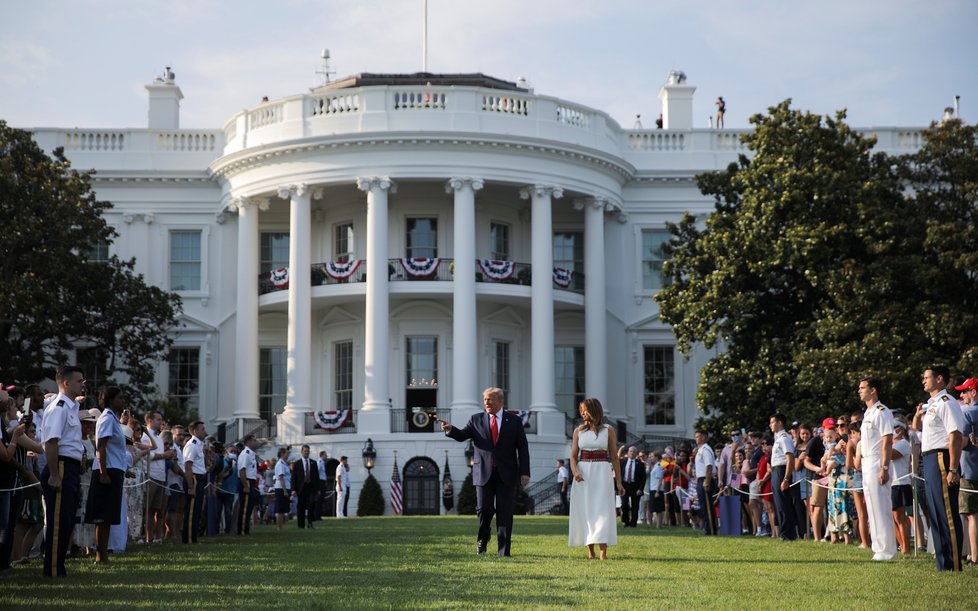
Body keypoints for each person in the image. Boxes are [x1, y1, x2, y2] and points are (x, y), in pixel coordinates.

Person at [441, 387, 531, 557]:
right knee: (484, 509)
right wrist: (450, 429)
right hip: (483, 473)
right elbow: (462, 435)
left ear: (500, 401)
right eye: (485, 400)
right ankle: (484, 537)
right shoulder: (476, 419)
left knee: (505, 513)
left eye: (490, 400)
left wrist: (524, 472)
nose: (487, 403)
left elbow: (523, 448)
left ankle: (504, 551)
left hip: (507, 474)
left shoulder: (514, 421)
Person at [913, 365, 966, 571]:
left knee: (947, 513)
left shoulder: (947, 402)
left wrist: (953, 468)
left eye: (927, 377)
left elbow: (954, 436)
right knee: (935, 511)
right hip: (929, 458)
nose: (924, 381)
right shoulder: (931, 404)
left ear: (939, 379)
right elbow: (920, 430)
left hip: (941, 457)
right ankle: (942, 563)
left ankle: (953, 563)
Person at [39, 365, 86, 577]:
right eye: (79, 381)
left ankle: (58, 566)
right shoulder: (58, 408)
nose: (83, 384)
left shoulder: (70, 408)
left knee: (66, 519)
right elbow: (51, 443)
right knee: (58, 521)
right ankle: (53, 569)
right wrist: (55, 474)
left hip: (71, 467)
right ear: (66, 383)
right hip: (61, 467)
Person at [568, 398, 623, 559]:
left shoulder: (608, 430)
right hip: (583, 473)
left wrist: (618, 481)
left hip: (602, 472)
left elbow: (614, 457)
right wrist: (575, 472)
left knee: (602, 510)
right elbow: (572, 456)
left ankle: (603, 552)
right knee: (585, 510)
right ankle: (590, 551)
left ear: (595, 411)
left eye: (585, 410)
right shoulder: (578, 431)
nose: (583, 413)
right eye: (581, 410)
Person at [856, 376, 897, 560]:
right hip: (867, 462)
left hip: (876, 461)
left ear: (873, 390)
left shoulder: (881, 411)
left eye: (863, 388)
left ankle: (886, 550)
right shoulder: (868, 413)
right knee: (872, 507)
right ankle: (878, 547)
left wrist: (884, 466)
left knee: (881, 507)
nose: (860, 391)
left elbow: (887, 440)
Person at [85, 388, 127, 563]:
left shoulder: (114, 419)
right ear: (109, 400)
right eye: (119, 397)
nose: (122, 400)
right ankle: (100, 554)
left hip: (114, 469)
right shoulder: (107, 418)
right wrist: (103, 473)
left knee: (109, 515)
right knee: (102, 515)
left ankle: (103, 554)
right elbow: (100, 446)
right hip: (106, 469)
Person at [954, 378, 978, 564]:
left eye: (964, 391)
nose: (961, 395)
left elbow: (961, 442)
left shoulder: (967, 413)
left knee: (971, 516)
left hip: (970, 472)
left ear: (974, 392)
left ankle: (974, 557)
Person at [769, 413, 799, 540]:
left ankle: (788, 534)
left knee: (783, 504)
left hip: (782, 471)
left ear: (780, 422)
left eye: (772, 422)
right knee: (779, 504)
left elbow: (790, 458)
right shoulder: (777, 438)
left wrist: (786, 478)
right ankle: (784, 532)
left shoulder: (784, 437)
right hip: (776, 470)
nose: (770, 425)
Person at [142, 410, 170, 543]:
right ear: (150, 421)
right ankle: (147, 537)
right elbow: (147, 456)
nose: (161, 422)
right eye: (158, 419)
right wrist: (164, 455)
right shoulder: (144, 436)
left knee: (156, 509)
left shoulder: (158, 438)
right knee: (147, 508)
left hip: (160, 476)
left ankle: (154, 537)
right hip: (150, 475)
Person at [181, 420, 208, 544]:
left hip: (200, 478)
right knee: (191, 510)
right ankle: (188, 538)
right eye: (202, 429)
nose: (204, 431)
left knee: (197, 510)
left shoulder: (199, 445)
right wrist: (191, 486)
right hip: (194, 479)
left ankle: (193, 537)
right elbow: (187, 466)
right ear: (195, 431)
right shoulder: (192, 445)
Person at [890, 418, 914, 554]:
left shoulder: (904, 444)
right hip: (892, 483)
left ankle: (906, 547)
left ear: (899, 430)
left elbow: (890, 455)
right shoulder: (892, 444)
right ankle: (901, 545)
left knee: (900, 517)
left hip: (900, 483)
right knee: (893, 517)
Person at [692, 430, 718, 535]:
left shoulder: (706, 449)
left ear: (703, 437)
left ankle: (711, 529)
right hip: (700, 479)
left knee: (707, 506)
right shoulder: (700, 450)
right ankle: (708, 528)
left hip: (705, 479)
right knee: (703, 506)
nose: (696, 438)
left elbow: (709, 466)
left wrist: (706, 482)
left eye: (698, 436)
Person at [291, 444, 319, 528]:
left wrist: (318, 489)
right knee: (301, 506)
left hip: (311, 487)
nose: (306, 452)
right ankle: (301, 525)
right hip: (301, 487)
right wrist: (293, 489)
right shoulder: (297, 464)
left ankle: (310, 523)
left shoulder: (313, 463)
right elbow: (294, 478)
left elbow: (316, 476)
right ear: (301, 452)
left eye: (307, 451)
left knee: (311, 505)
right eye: (305, 451)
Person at [237, 435, 259, 535]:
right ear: (249, 442)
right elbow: (242, 470)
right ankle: (242, 530)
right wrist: (246, 486)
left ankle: (245, 529)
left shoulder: (251, 454)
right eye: (254, 440)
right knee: (245, 507)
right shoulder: (245, 454)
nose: (256, 442)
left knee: (249, 506)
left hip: (251, 481)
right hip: (246, 481)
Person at [619, 446, 646, 528]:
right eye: (630, 451)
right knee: (624, 504)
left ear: (636, 454)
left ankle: (633, 523)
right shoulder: (623, 462)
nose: (632, 453)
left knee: (635, 505)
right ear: (628, 453)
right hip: (625, 485)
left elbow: (643, 478)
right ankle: (625, 521)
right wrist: (619, 486)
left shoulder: (640, 464)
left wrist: (640, 489)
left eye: (634, 452)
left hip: (635, 486)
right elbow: (619, 474)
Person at [273, 447, 291, 530]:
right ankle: (279, 527)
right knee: (280, 508)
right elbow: (281, 477)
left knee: (283, 508)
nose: (288, 455)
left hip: (286, 487)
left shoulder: (284, 463)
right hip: (281, 488)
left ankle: (281, 526)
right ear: (282, 454)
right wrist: (284, 490)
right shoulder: (280, 464)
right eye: (286, 453)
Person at [646, 451, 665, 528]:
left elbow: (660, 480)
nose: (651, 458)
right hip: (653, 489)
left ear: (657, 457)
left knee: (658, 509)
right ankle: (658, 524)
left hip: (657, 489)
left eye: (652, 456)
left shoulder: (658, 466)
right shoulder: (654, 466)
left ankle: (659, 525)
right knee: (656, 508)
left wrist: (657, 491)